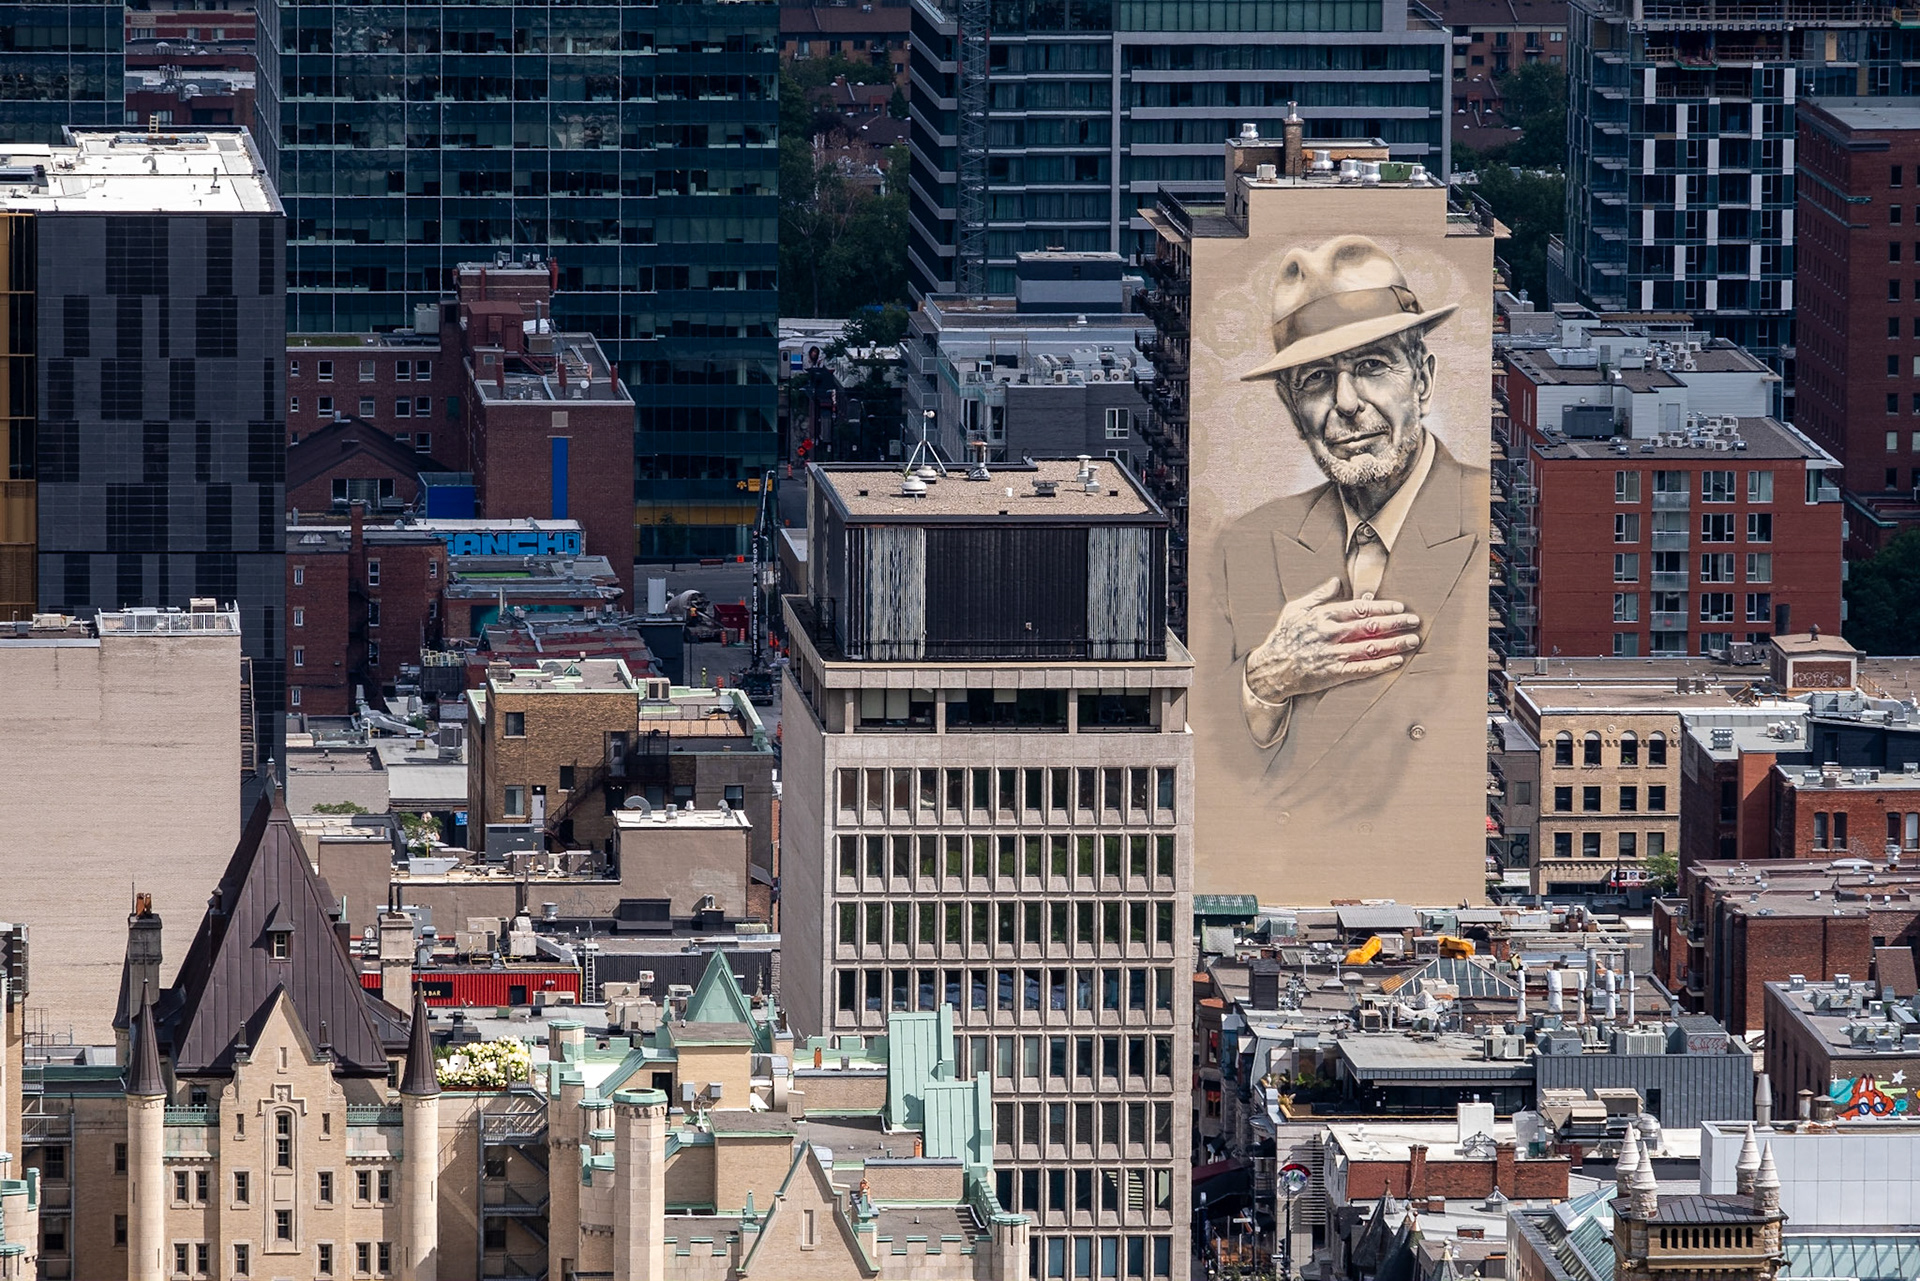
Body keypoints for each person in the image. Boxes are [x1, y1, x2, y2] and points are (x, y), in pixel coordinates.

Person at [1205, 234, 1488, 828]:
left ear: (1423, 380)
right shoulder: (1244, 545)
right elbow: (1202, 756)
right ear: (1292, 408)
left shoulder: (1486, 519)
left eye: (1371, 367)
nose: (1346, 402)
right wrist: (1264, 682)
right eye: (1315, 379)